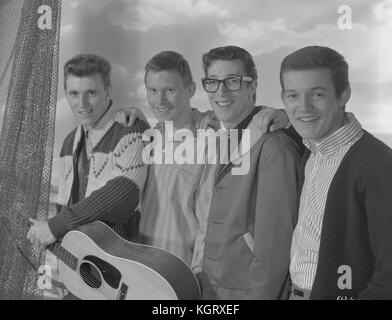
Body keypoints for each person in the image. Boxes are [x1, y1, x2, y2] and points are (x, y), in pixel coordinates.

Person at [117, 51, 290, 267]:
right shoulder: (149, 136)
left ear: (190, 89)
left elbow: (246, 113)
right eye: (152, 90)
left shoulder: (210, 131)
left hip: (182, 271)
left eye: (170, 90)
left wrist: (285, 115)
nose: (159, 100)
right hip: (141, 266)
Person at [27, 54, 148, 297]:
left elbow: (125, 193)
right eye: (73, 94)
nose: (82, 103)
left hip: (122, 276)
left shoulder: (131, 128)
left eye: (91, 93)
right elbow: (65, 205)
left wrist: (56, 225)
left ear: (107, 90)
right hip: (81, 272)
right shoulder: (69, 141)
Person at [190, 45, 303, 299]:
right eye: (212, 82)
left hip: (241, 291)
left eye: (233, 81)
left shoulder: (274, 148)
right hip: (204, 284)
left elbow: (273, 249)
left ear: (252, 86)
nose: (221, 92)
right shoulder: (219, 137)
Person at [280, 45, 392, 300]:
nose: (303, 107)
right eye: (293, 96)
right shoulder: (310, 151)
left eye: (317, 95)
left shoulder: (377, 164)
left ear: (343, 95)